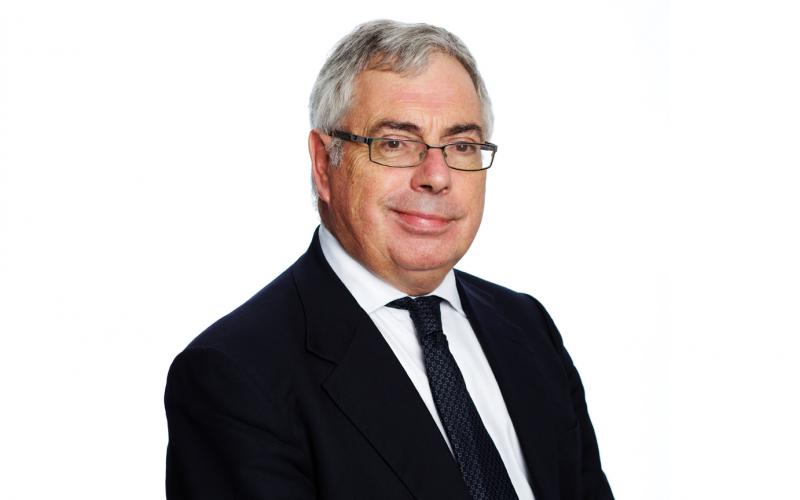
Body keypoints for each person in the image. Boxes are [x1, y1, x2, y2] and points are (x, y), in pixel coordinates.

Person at [164, 20, 614, 500]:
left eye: (462, 145)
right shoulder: (235, 374)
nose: (436, 176)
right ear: (324, 164)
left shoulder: (527, 327)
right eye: (395, 143)